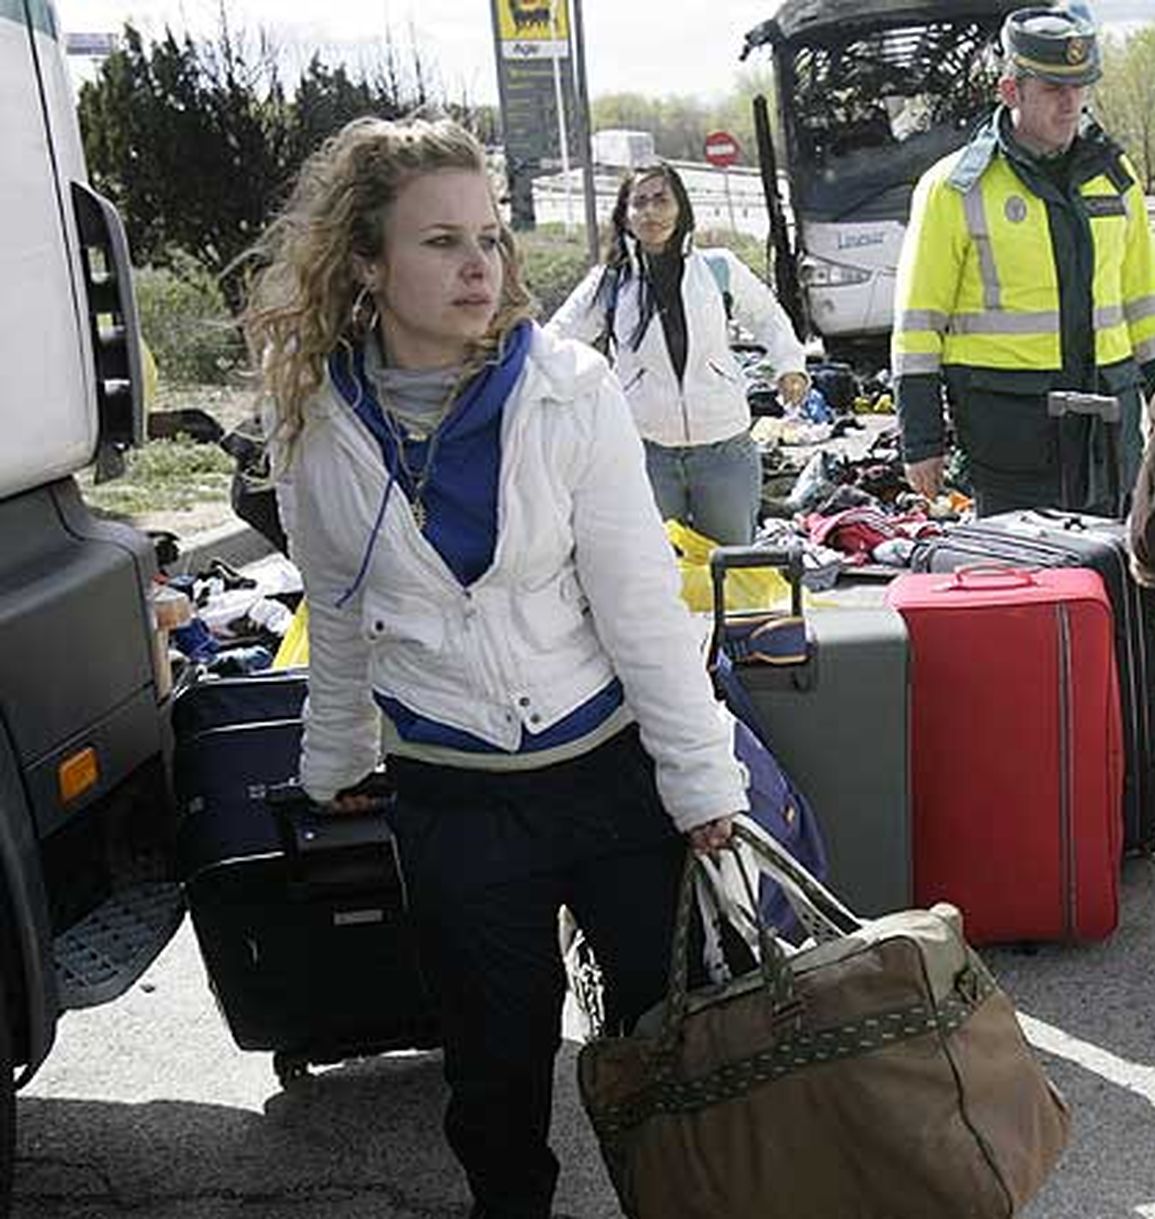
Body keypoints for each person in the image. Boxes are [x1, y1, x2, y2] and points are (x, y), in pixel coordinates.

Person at [241, 116, 746, 1218]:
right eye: (440, 242)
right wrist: (335, 759)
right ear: (366, 262)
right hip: (454, 796)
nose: (480, 265)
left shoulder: (568, 390)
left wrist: (701, 780)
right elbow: (335, 612)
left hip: (607, 771)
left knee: (671, 1048)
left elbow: (642, 608)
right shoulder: (315, 425)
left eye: (491, 236)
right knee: (493, 1065)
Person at [892, 2, 1155, 519]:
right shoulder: (954, 188)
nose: (1071, 103)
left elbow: (1150, 310)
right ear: (1011, 91)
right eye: (1053, 89)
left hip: (1107, 435)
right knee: (1019, 591)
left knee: (1109, 588)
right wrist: (922, 439)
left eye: (1080, 86)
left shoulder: (1115, 178)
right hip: (1011, 438)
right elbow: (918, 326)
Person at [549, 161, 810, 545]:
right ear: (625, 214)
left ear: (681, 207)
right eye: (639, 202)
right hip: (644, 454)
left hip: (724, 451)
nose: (651, 211)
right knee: (654, 575)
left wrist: (790, 366)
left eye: (661, 199)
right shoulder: (609, 281)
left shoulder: (720, 268)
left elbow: (768, 317)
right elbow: (557, 338)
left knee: (730, 571)